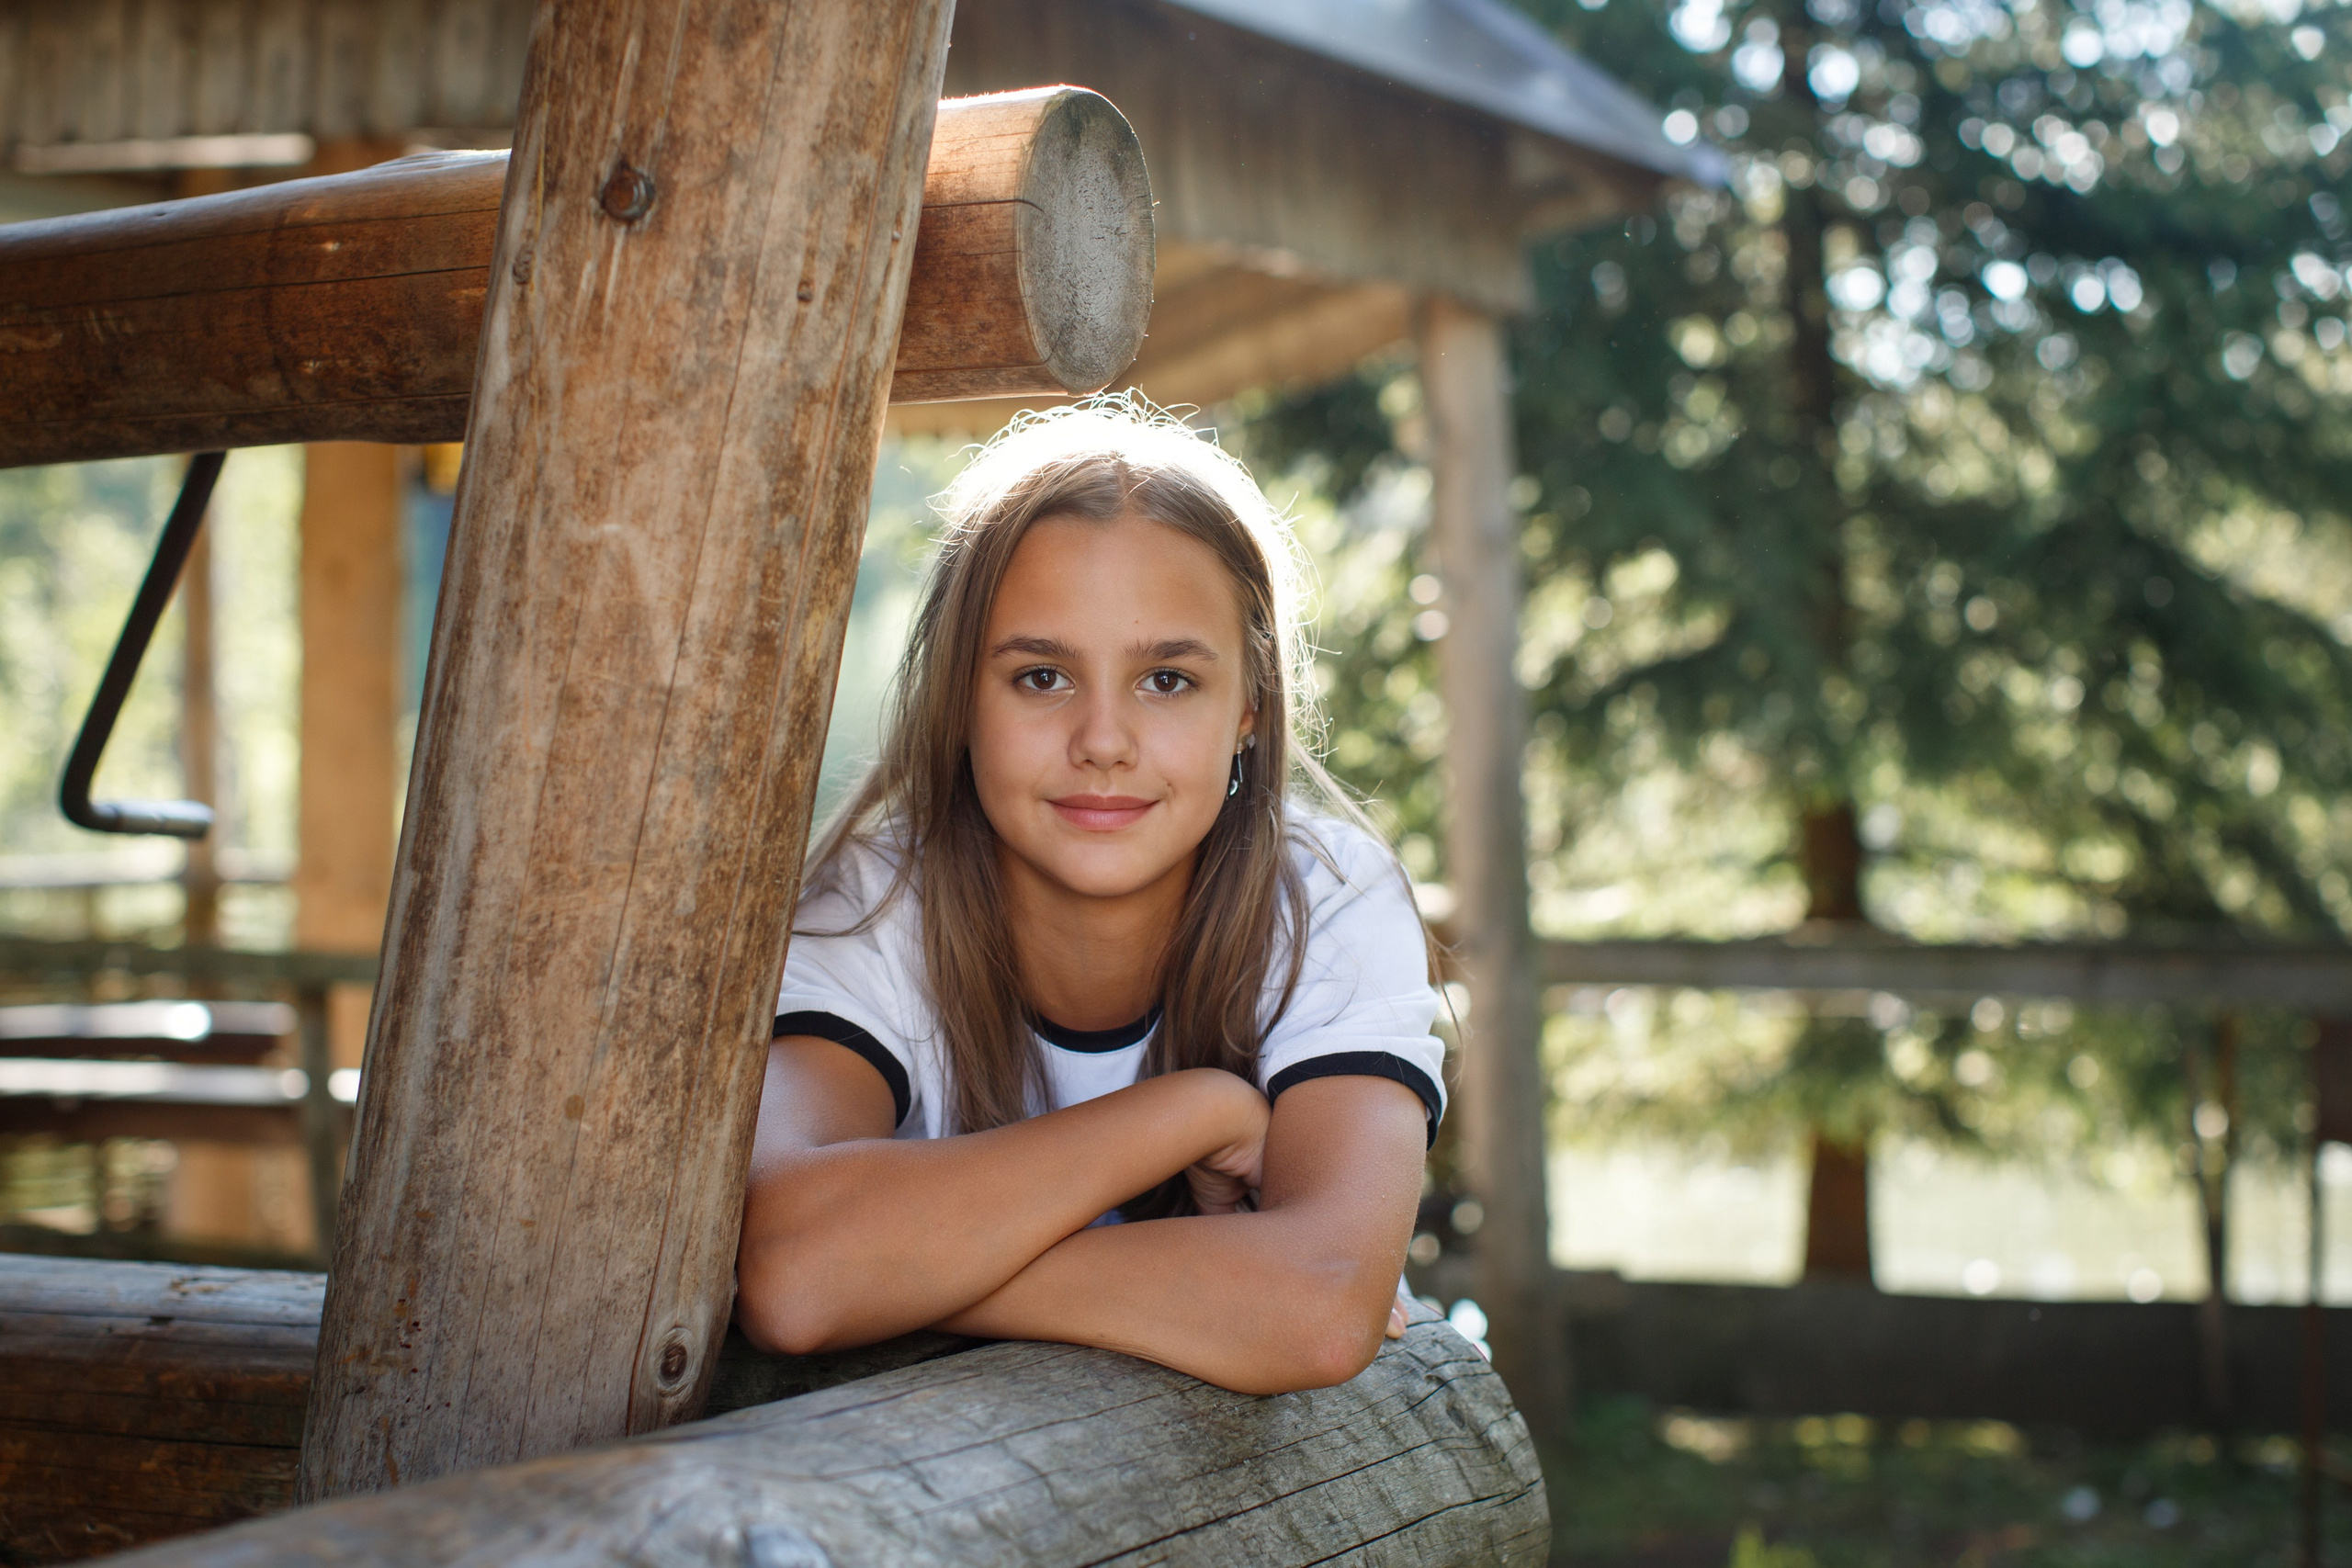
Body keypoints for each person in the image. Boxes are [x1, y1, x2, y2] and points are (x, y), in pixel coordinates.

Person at [736, 400, 1444, 1395]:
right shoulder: (870, 905)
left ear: (1247, 707)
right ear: (958, 699)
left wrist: (899, 1276)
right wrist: (1191, 1112)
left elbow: (1319, 1312)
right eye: (1039, 677)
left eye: (1164, 679)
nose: (1103, 740)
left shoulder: (1321, 895)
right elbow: (796, 1272)